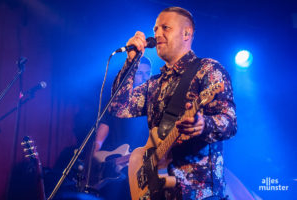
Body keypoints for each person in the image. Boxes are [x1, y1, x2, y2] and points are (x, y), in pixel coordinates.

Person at [108, 6, 237, 200]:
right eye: (155, 29)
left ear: (187, 33)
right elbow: (118, 107)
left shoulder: (208, 70)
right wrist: (131, 62)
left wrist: (203, 125)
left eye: (165, 28)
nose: (157, 34)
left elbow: (230, 122)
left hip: (198, 193)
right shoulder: (155, 83)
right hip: (160, 192)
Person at [91, 57, 151, 200]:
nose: (143, 78)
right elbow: (101, 135)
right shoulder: (116, 102)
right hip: (111, 161)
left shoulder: (152, 105)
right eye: (139, 73)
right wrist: (96, 154)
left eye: (147, 74)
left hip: (137, 166)